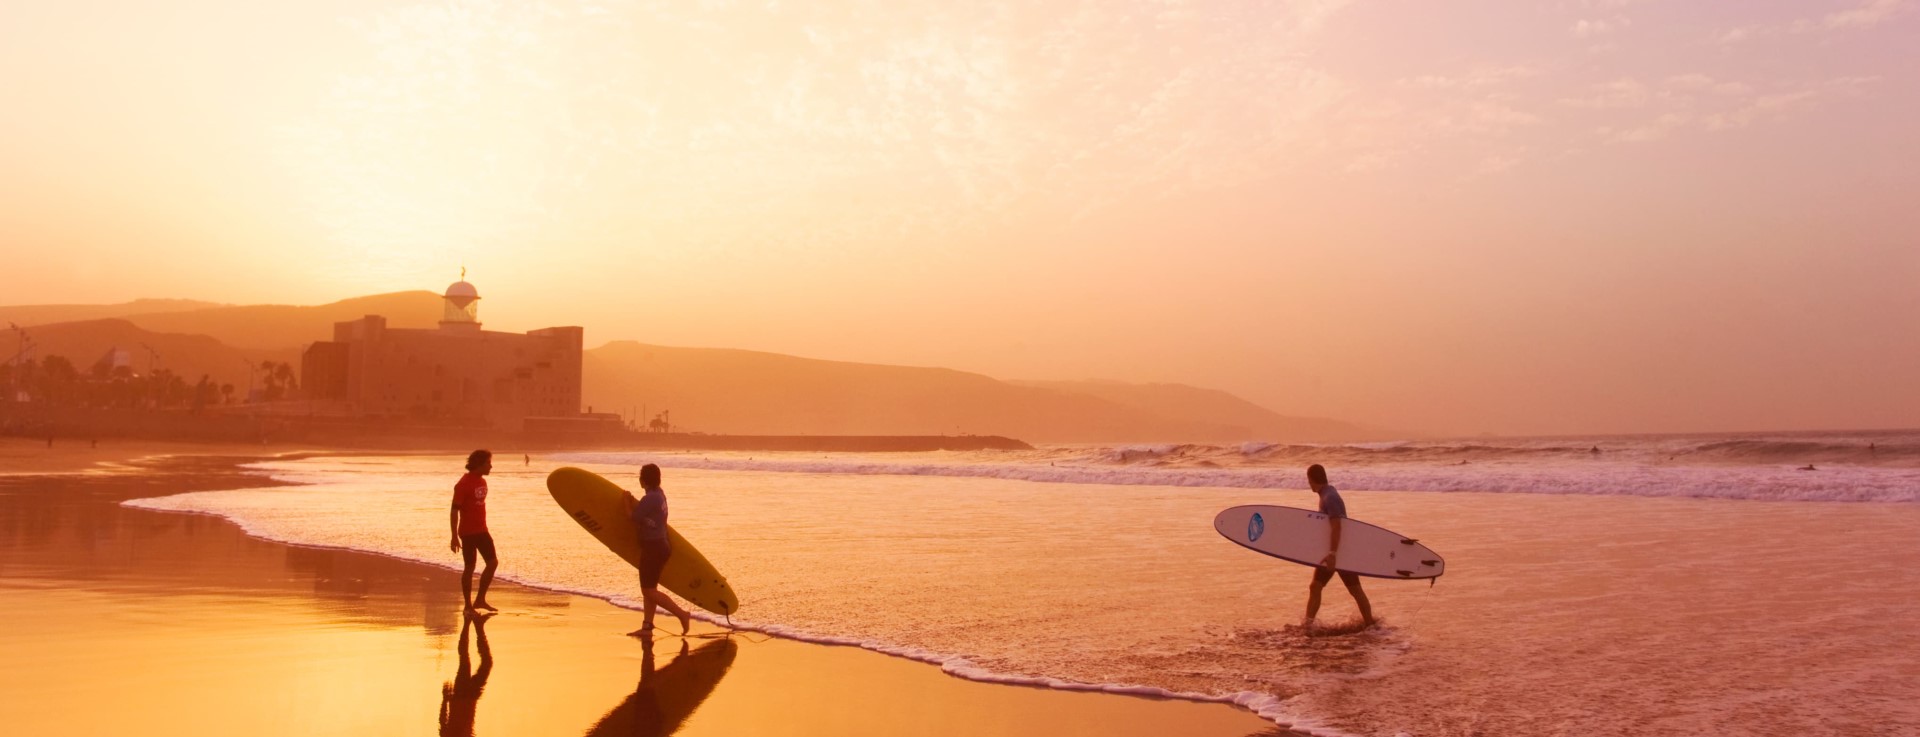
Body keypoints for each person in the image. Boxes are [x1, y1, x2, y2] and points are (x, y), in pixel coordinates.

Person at [1302, 463, 1375, 629]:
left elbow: (1337, 526)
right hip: (1336, 550)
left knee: (1352, 590)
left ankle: (1370, 624)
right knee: (1321, 587)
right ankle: (1370, 624)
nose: (1309, 484)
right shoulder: (1327, 493)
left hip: (1338, 552)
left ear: (1312, 479)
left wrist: (1333, 554)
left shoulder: (1330, 498)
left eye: (1309, 480)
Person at [626, 463, 691, 636]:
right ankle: (647, 627)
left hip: (654, 548)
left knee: (648, 590)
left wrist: (626, 501)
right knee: (650, 588)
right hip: (660, 545)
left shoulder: (650, 499)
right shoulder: (659, 495)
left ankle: (682, 614)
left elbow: (633, 518)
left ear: (642, 480)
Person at [450, 450, 499, 615]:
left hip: (482, 530)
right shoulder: (463, 484)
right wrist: (454, 536)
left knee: (492, 563)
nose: (491, 466)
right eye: (488, 463)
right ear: (479, 464)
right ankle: (467, 606)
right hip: (468, 532)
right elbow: (454, 510)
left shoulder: (483, 482)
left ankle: (480, 599)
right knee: (470, 567)